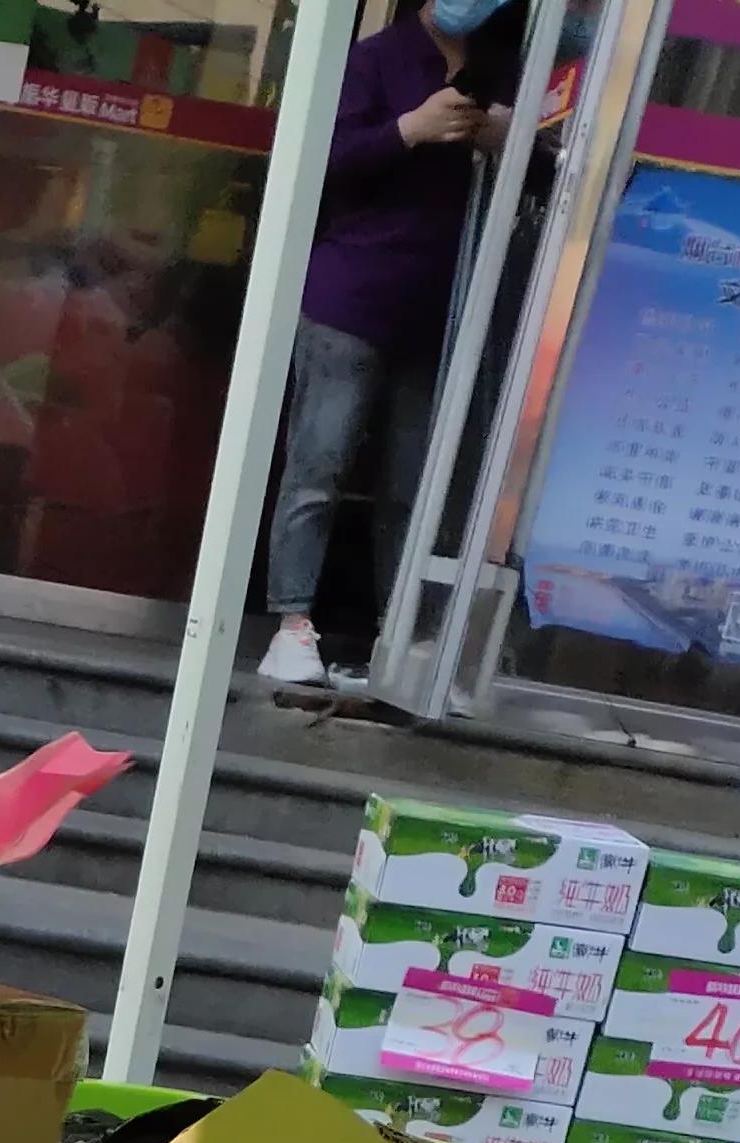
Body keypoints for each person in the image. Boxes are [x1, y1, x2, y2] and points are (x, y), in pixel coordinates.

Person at [260, 0, 515, 698]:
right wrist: (410, 129)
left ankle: (399, 636)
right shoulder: (374, 60)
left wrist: (509, 139)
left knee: (414, 491)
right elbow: (320, 159)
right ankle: (292, 625)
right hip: (351, 297)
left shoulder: (502, 67)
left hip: (443, 311)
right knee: (318, 467)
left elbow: (557, 169)